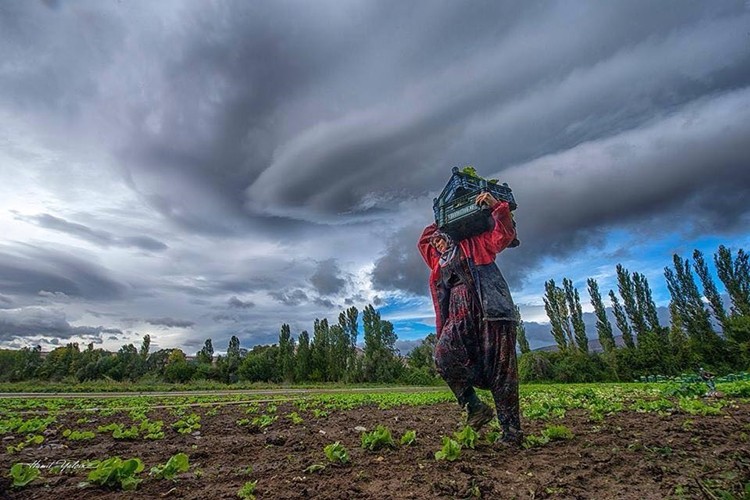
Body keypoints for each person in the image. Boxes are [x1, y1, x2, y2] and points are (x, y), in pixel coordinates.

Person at [418, 191, 522, 445]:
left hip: (491, 312)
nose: (438, 244)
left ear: (452, 235)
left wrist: (497, 207)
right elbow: (423, 241)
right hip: (458, 316)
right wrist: (440, 221)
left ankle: (512, 433)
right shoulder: (438, 261)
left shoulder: (475, 244)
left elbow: (504, 236)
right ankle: (474, 406)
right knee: (443, 356)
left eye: (441, 240)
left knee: (502, 370)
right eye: (436, 241)